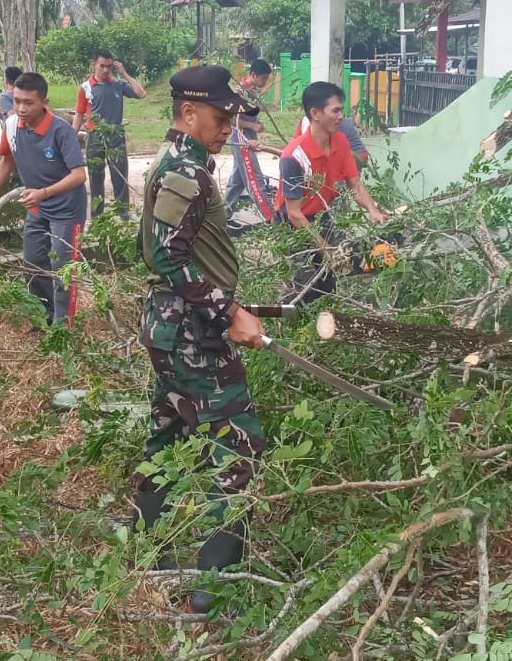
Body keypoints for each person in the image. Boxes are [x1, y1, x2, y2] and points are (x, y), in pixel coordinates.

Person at [134, 65, 266, 615]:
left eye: (232, 115)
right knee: (241, 448)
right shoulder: (184, 170)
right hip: (194, 333)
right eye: (220, 116)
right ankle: (215, 587)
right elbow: (166, 256)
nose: (228, 126)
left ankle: (147, 546)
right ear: (189, 112)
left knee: (166, 432)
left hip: (174, 326)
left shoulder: (185, 164)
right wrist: (228, 309)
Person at [0, 73, 87, 325]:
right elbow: (7, 160)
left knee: (63, 269)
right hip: (37, 209)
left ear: (44, 102)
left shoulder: (61, 131)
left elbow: (79, 175)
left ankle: (63, 328)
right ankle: (43, 318)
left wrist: (44, 193)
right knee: (33, 262)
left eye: (28, 102)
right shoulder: (11, 127)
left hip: (66, 210)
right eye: (17, 101)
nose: (21, 108)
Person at [277, 82, 388, 305]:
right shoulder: (294, 157)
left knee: (330, 281)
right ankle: (292, 325)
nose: (341, 116)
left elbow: (355, 185)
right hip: (293, 223)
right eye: (335, 110)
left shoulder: (340, 141)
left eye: (341, 110)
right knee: (305, 285)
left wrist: (374, 211)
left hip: (322, 216)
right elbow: (294, 214)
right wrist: (324, 247)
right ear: (315, 114)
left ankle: (325, 327)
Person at [72, 50, 146, 219]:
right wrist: (71, 137)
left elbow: (141, 94)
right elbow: (79, 114)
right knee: (95, 176)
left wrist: (125, 73)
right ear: (94, 65)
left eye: (109, 66)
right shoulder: (85, 88)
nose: (105, 70)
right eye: (102, 66)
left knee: (120, 174)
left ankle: (123, 213)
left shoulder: (118, 85)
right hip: (95, 135)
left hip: (116, 134)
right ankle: (97, 216)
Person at [223, 59, 277, 217]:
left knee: (237, 180)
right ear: (253, 74)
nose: (265, 82)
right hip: (241, 139)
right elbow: (231, 119)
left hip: (248, 137)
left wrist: (257, 124)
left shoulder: (252, 93)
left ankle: (221, 217)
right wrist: (252, 126)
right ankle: (272, 219)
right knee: (254, 179)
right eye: (264, 78)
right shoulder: (238, 93)